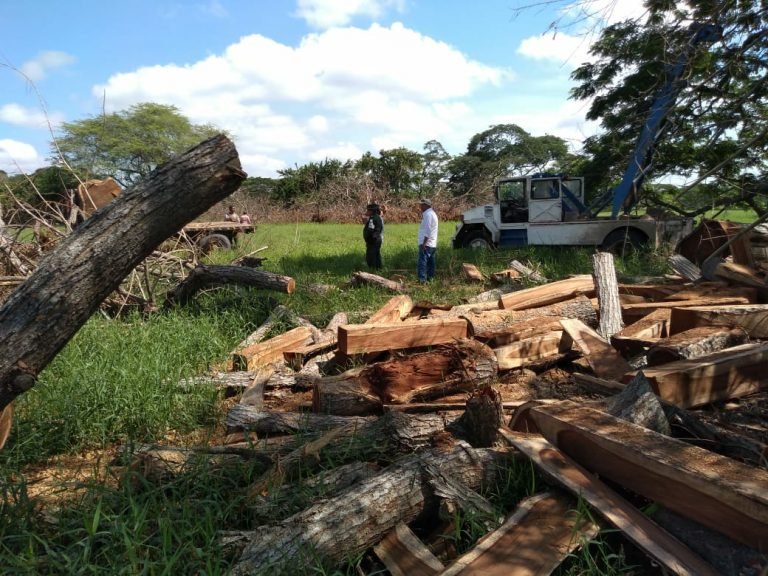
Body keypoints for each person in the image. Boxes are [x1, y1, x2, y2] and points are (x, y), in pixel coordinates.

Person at [417, 198, 438, 282]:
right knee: (430, 262)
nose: (420, 206)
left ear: (426, 205)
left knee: (422, 262)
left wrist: (424, 243)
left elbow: (428, 230)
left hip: (427, 243)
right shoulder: (432, 213)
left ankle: (422, 280)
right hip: (432, 243)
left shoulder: (428, 215)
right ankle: (430, 279)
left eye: (421, 205)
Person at [363, 203, 384, 270]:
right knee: (375, 255)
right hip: (372, 241)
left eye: (368, 210)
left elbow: (378, 229)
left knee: (371, 257)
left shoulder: (376, 218)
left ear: (372, 211)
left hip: (374, 241)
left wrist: (372, 238)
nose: (367, 212)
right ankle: (378, 268)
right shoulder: (372, 217)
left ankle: (373, 269)